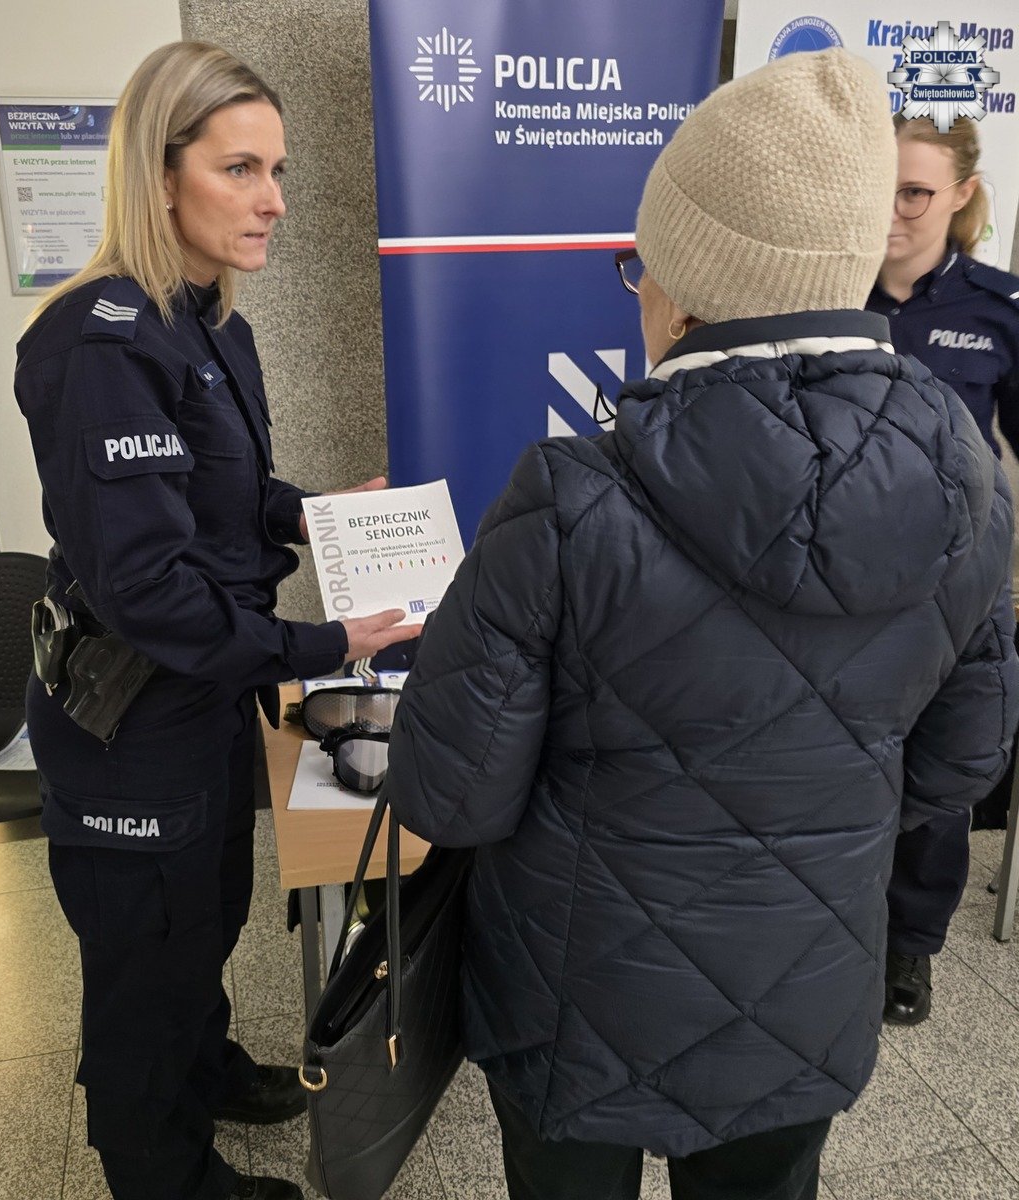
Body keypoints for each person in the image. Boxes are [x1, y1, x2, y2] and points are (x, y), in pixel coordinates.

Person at [388, 50, 1019, 1200]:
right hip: (804, 998)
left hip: (573, 1005)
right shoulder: (974, 495)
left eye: (640, 267)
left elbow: (449, 796)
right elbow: (959, 772)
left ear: (683, 288)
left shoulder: (568, 500)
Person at [14, 42, 418, 1200]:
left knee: (203, 916)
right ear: (159, 173)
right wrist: (323, 646)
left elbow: (225, 500)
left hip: (198, 696)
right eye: (242, 168)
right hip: (131, 714)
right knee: (145, 959)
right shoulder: (100, 345)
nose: (275, 200)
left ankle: (209, 1060)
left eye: (276, 169)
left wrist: (324, 517)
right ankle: (163, 1170)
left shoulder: (210, 327)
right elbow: (147, 587)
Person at [866, 114, 1019, 1027]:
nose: (894, 210)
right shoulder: (824, 290)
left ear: (959, 195)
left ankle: (910, 948)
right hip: (832, 582)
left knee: (940, 772)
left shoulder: (997, 310)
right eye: (879, 187)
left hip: (951, 587)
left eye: (915, 191)